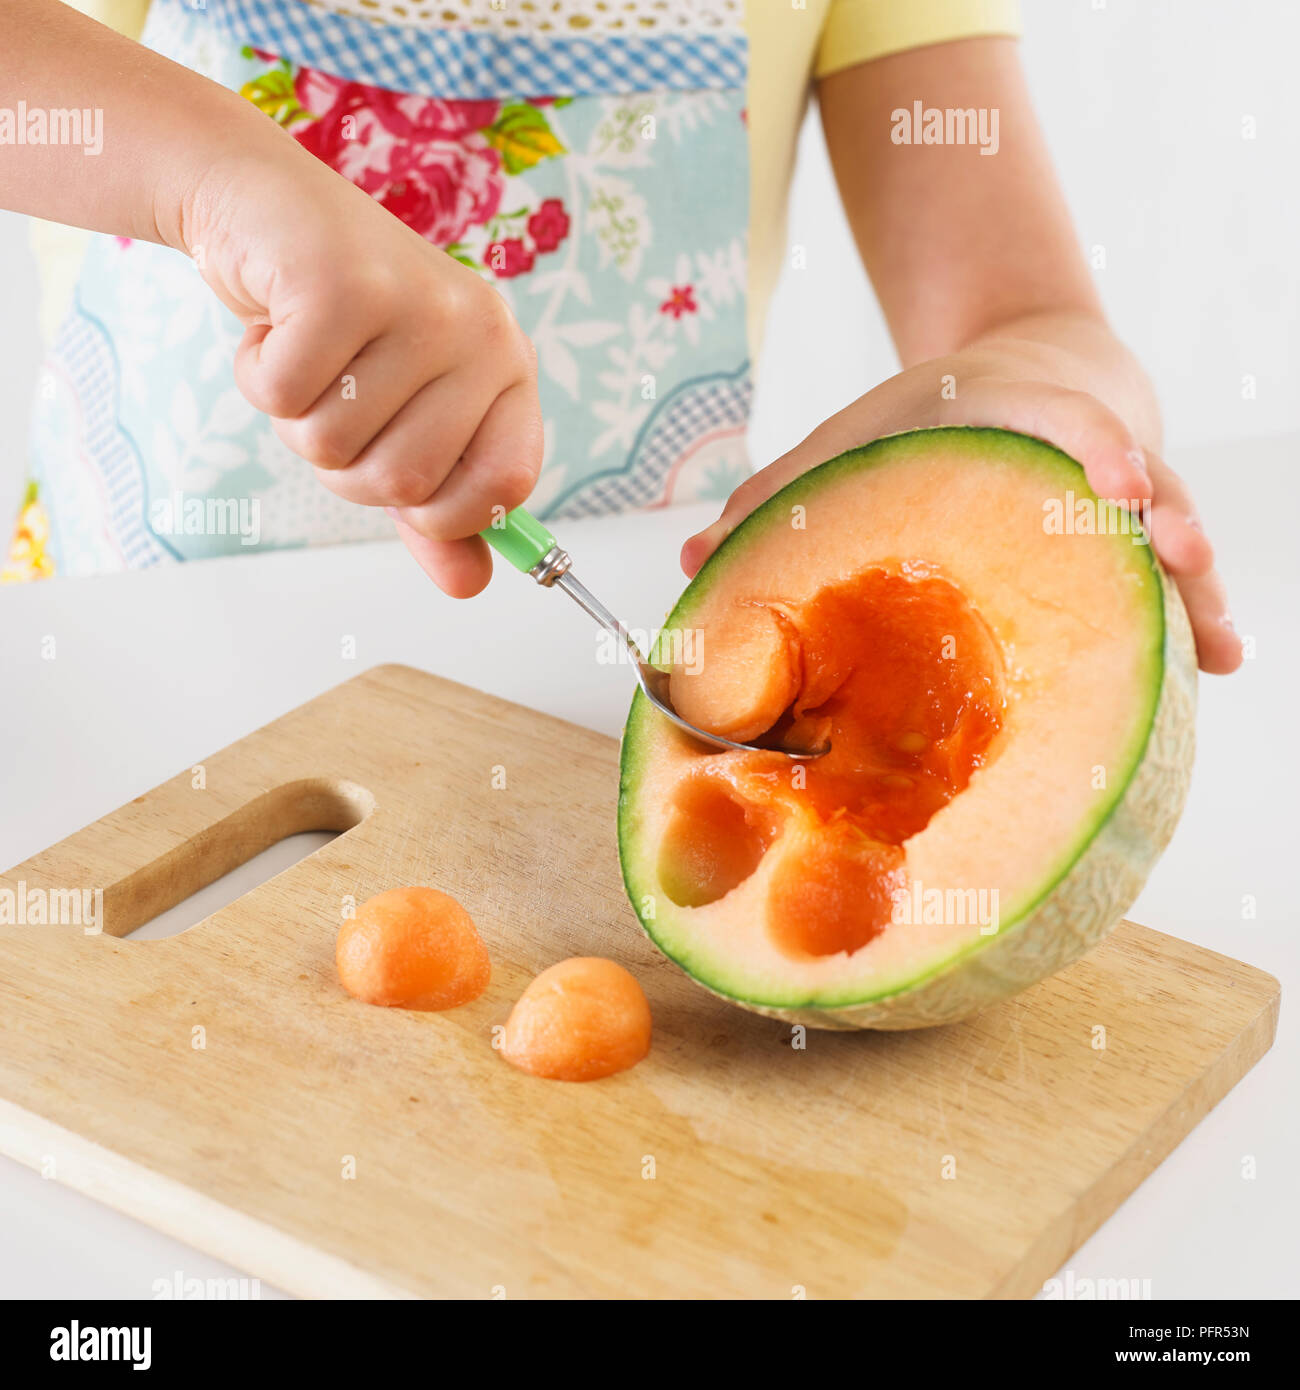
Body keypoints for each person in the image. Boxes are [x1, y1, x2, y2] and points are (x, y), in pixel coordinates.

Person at [0, 0, 1240, 673]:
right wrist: (207, 179)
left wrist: (1025, 381)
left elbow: (1027, 317)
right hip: (125, 672)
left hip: (587, 699)